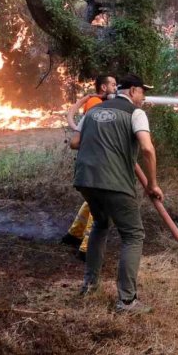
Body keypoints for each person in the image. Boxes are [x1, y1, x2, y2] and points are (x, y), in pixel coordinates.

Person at [71, 72, 163, 314]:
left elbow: (75, 143)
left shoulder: (93, 110)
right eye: (143, 92)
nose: (143, 97)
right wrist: (152, 184)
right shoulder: (136, 113)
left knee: (100, 224)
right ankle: (127, 301)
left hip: (86, 180)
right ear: (132, 91)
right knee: (133, 235)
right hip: (115, 183)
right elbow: (147, 149)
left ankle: (89, 285)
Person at [61, 75, 118, 258]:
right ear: (103, 87)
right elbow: (94, 132)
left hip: (94, 162)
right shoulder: (95, 103)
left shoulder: (97, 102)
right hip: (98, 162)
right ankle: (87, 249)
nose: (116, 88)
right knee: (101, 204)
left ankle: (73, 235)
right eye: (113, 84)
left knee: (92, 200)